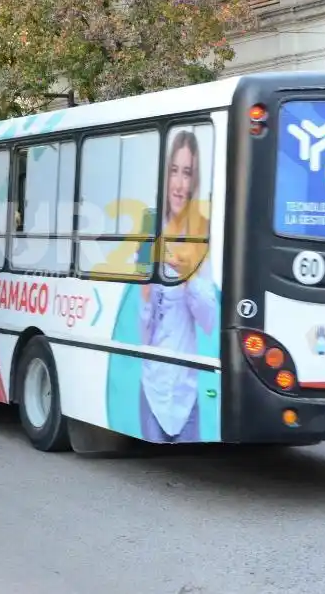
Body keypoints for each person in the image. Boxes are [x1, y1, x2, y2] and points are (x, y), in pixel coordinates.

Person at [138, 130, 216, 443]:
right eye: (174, 171)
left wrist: (189, 277)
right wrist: (145, 293)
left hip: (186, 394)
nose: (180, 184)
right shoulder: (149, 226)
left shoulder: (203, 230)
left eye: (188, 173)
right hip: (151, 389)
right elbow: (143, 333)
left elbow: (210, 320)